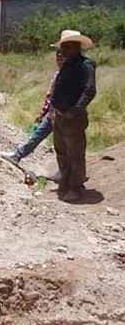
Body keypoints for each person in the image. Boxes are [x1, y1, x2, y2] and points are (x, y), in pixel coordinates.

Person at [50, 30, 97, 203]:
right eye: (62, 46)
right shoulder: (67, 65)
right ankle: (65, 181)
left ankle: (75, 187)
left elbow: (90, 90)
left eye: (66, 46)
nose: (62, 50)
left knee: (75, 153)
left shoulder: (86, 65)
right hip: (60, 116)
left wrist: (76, 109)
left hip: (73, 117)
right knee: (61, 151)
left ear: (76, 47)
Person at [0, 50, 65, 165]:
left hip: (64, 115)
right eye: (58, 57)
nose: (59, 60)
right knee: (36, 136)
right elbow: (50, 96)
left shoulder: (68, 75)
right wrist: (43, 113)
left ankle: (67, 171)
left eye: (62, 57)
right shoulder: (57, 74)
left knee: (63, 144)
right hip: (52, 114)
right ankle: (17, 155)